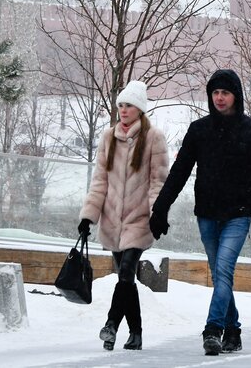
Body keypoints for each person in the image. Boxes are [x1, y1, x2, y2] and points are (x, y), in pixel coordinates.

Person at [148, 68, 251, 356]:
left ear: (236, 96)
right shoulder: (199, 130)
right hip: (206, 214)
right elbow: (179, 171)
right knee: (222, 277)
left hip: (238, 214)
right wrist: (160, 208)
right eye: (215, 93)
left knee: (222, 270)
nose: (219, 98)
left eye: (225, 93)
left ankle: (213, 330)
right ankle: (233, 329)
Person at [77, 80, 169, 351]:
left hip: (140, 220)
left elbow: (158, 182)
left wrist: (157, 215)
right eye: (120, 105)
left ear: (140, 108)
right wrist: (88, 217)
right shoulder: (109, 138)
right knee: (125, 280)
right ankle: (136, 334)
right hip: (112, 221)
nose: (123, 110)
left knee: (127, 271)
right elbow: (100, 181)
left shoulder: (154, 138)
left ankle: (111, 325)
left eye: (128, 105)